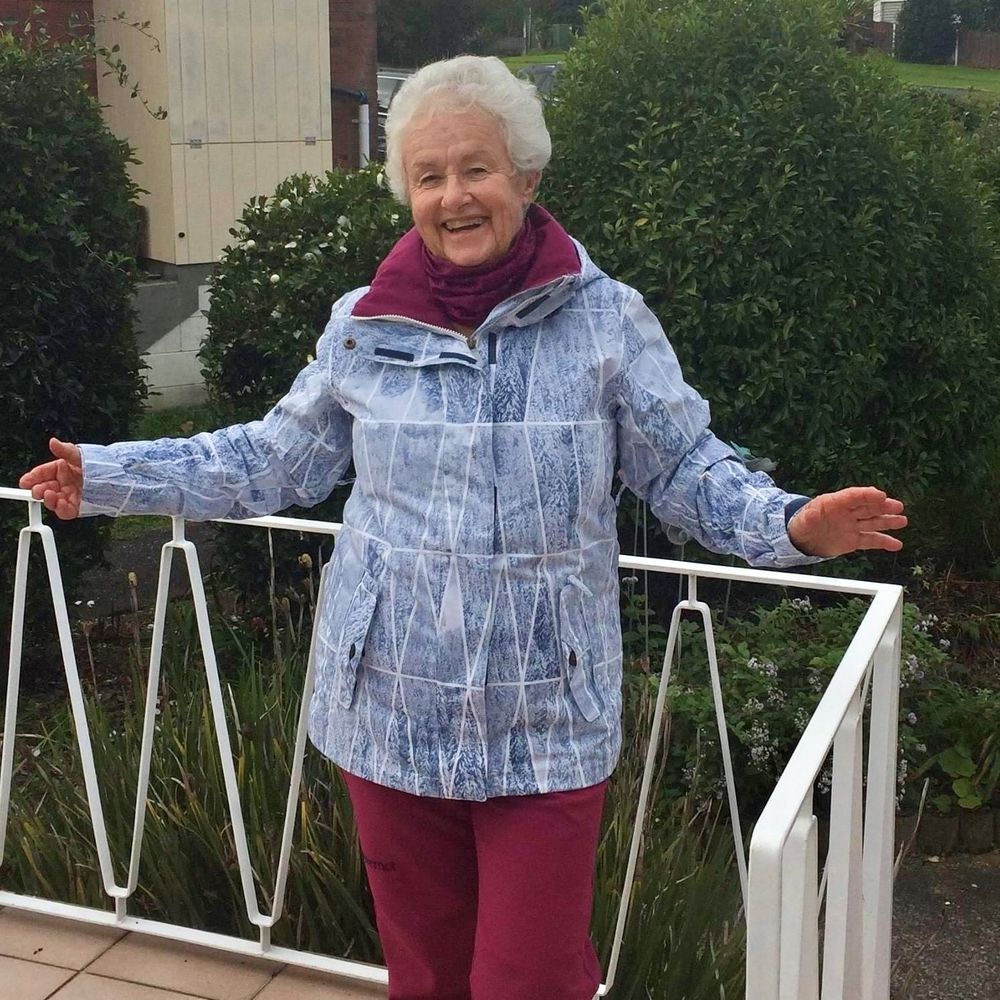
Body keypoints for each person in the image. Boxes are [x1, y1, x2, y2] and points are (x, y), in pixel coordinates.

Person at [21, 55, 906, 1000]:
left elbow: (685, 466)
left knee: (528, 977)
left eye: (476, 168)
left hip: (547, 716)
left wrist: (789, 525)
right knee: (429, 975)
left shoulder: (606, 323)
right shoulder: (362, 326)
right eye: (429, 176)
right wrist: (110, 476)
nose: (454, 196)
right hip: (389, 709)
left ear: (526, 176)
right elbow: (271, 460)